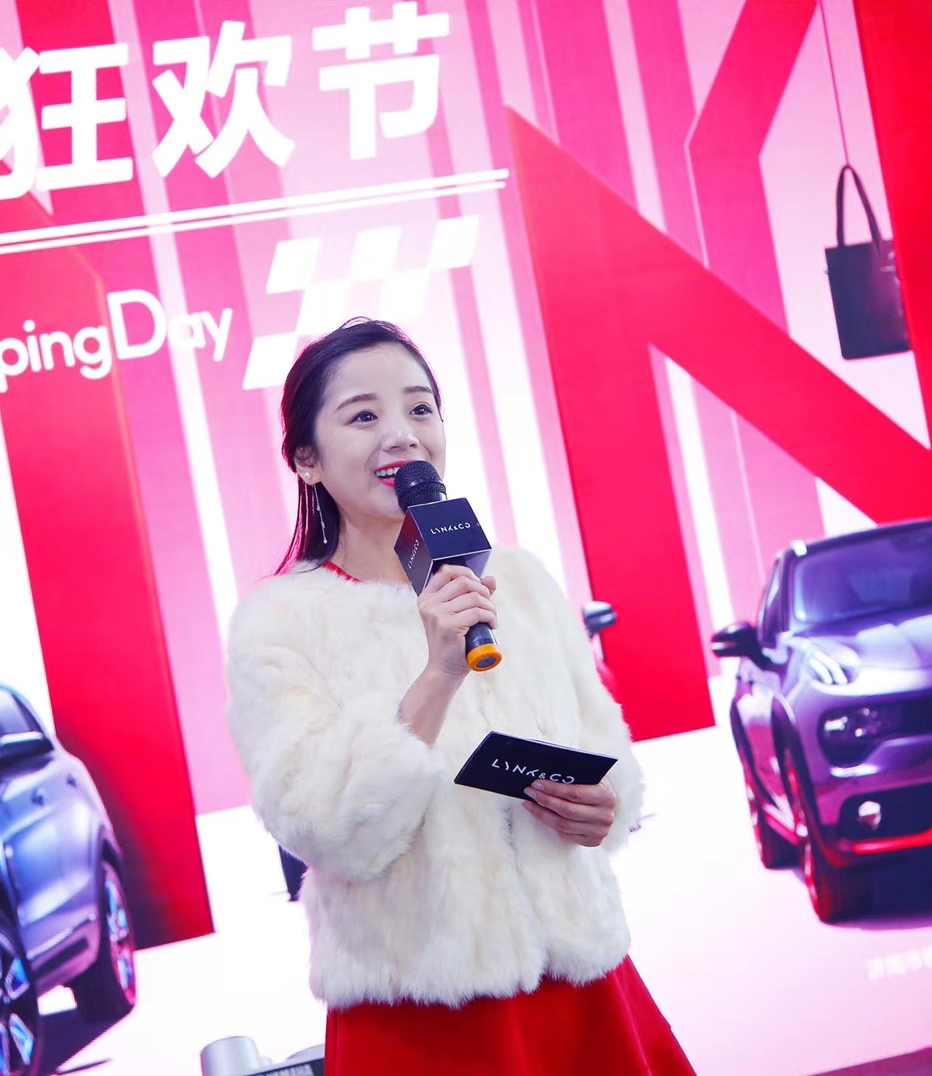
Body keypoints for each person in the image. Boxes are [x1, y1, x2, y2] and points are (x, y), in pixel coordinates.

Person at [225, 320, 696, 1075]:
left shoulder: (520, 580)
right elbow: (326, 827)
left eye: (420, 408)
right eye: (363, 415)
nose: (401, 435)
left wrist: (601, 808)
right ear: (306, 459)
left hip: (582, 989)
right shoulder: (279, 621)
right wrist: (439, 674)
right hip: (422, 1021)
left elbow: (603, 752)